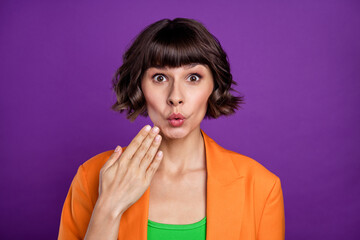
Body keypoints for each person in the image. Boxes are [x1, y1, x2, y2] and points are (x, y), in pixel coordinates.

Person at [58, 18, 285, 240]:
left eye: (193, 77)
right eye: (159, 78)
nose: (175, 97)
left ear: (213, 86)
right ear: (140, 87)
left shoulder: (261, 186)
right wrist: (109, 207)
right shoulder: (91, 176)